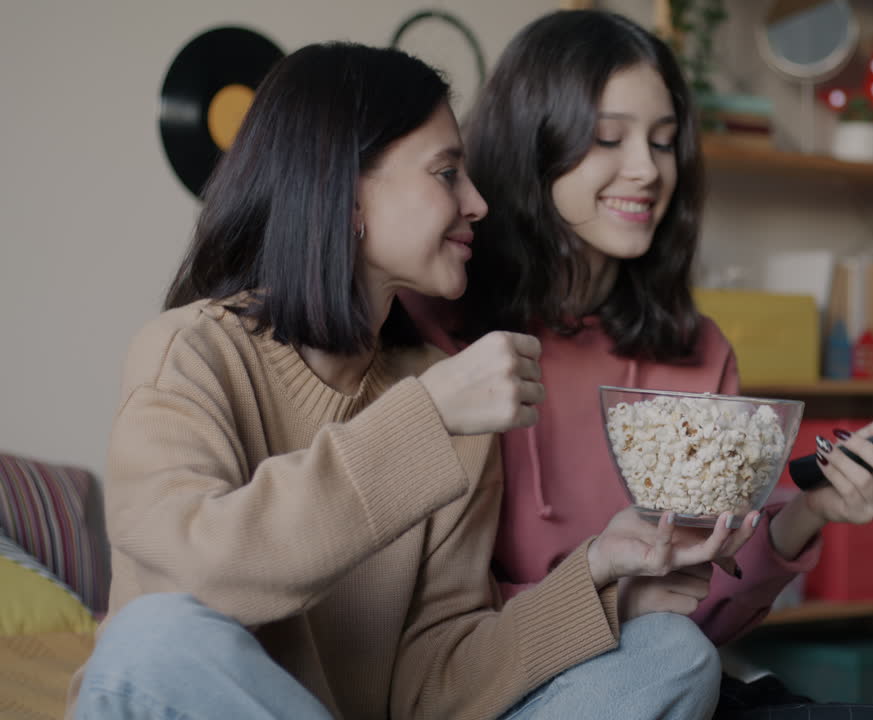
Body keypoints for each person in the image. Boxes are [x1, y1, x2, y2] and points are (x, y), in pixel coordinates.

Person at [69, 41, 758, 720]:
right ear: (346, 189)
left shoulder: (437, 387)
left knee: (670, 652)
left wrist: (598, 574)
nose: (479, 202)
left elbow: (435, 684)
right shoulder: (189, 352)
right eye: (447, 172)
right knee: (150, 644)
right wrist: (424, 420)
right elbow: (194, 578)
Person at [401, 8, 873, 660]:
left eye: (663, 140)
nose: (648, 170)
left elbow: (696, 621)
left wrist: (810, 512)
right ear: (533, 145)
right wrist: (609, 601)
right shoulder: (435, 335)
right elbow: (421, 632)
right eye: (608, 138)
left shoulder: (696, 352)